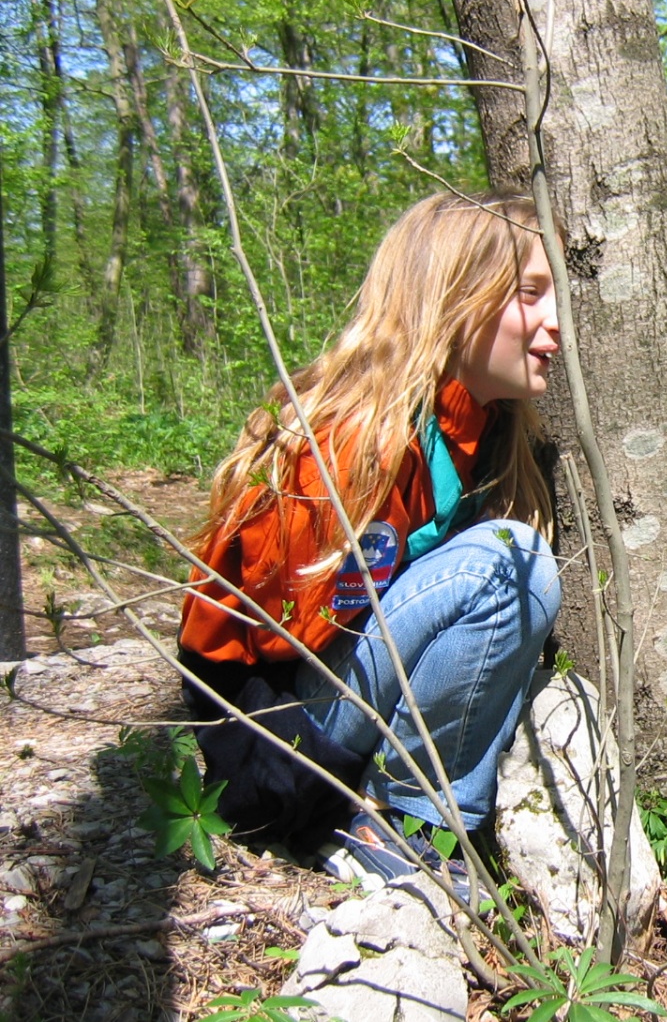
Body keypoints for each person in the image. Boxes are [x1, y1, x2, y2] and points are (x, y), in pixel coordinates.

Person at [178, 189, 564, 900]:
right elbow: (224, 654)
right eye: (531, 294)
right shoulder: (352, 440)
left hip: (346, 705)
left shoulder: (486, 436)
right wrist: (296, 791)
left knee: (512, 566)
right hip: (290, 740)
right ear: (453, 296)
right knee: (512, 567)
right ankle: (400, 826)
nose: (555, 322)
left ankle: (424, 826)